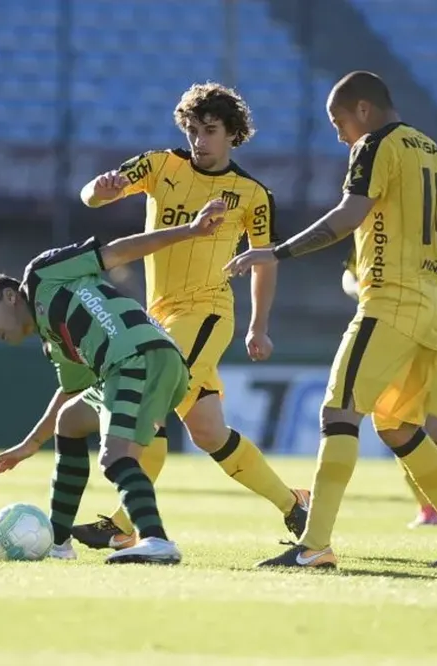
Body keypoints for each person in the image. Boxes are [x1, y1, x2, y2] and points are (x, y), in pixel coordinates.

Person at [225, 71, 437, 569]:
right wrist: (428, 262)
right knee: (398, 427)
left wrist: (276, 252)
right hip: (432, 309)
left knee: (339, 412)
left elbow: (349, 215)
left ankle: (314, 544)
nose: (339, 133)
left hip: (391, 302)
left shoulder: (374, 145)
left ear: (364, 110)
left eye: (339, 120)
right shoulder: (433, 150)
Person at [69, 82, 310, 552]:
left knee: (145, 402)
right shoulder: (161, 165)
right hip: (159, 314)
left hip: (206, 313)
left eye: (211, 130)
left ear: (232, 134)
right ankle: (294, 504)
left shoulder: (251, 194)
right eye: (193, 130)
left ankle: (124, 522)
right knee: (208, 431)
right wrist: (98, 191)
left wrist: (260, 325)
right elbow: (91, 197)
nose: (200, 139)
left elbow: (264, 258)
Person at [0, 199, 227, 565]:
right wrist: (30, 445)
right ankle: (59, 545)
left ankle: (157, 541)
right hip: (148, 363)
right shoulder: (55, 342)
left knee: (114, 457)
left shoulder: (42, 275)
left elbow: (117, 252)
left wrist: (189, 231)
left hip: (136, 356)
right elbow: (70, 394)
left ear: (10, 297)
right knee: (71, 421)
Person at [342, 236, 437, 528]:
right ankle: (426, 507)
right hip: (398, 337)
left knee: (436, 427)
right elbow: (349, 273)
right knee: (398, 423)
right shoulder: (377, 226)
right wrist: (361, 290)